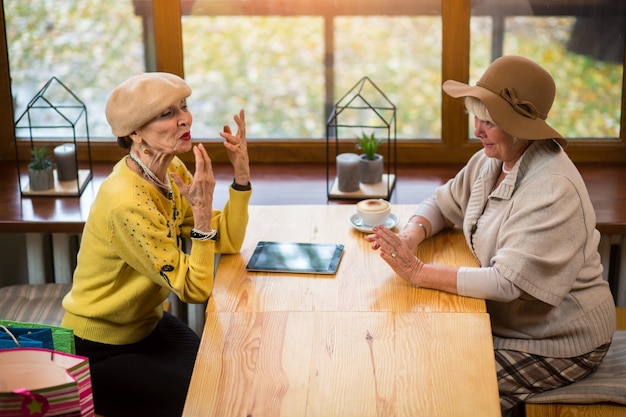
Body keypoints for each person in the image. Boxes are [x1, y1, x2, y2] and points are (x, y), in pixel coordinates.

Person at [366, 56, 616, 417]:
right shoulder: (493, 160)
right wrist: (411, 235)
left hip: (559, 339)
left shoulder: (551, 188)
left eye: (489, 121)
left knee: (444, 381)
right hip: (508, 322)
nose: (477, 130)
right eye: (477, 117)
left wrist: (418, 272)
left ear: (521, 127)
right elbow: (442, 201)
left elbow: (505, 284)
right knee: (415, 352)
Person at [61, 72, 252, 417]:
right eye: (166, 113)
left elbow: (226, 240)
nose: (185, 119)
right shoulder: (126, 201)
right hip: (100, 349)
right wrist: (204, 215)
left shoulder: (170, 167)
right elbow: (194, 289)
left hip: (149, 328)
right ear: (134, 133)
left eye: (183, 106)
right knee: (206, 401)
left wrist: (240, 177)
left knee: (226, 375)